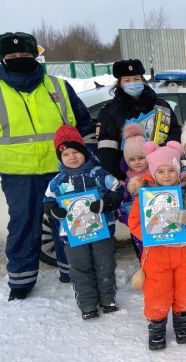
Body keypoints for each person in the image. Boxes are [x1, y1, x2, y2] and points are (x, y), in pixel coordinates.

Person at [0, 31, 93, 301]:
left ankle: (72, 272)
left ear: (35, 56)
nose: (19, 58)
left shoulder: (58, 86)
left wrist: (88, 159)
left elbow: (83, 126)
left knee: (68, 220)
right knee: (24, 224)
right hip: (19, 173)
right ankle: (21, 281)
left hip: (62, 170)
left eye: (25, 55)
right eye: (12, 56)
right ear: (3, 59)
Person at [128, 140, 186, 350]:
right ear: (154, 172)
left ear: (178, 170)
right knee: (157, 289)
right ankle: (156, 325)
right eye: (161, 171)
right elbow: (134, 223)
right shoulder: (145, 195)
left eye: (171, 170)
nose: (166, 175)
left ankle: (182, 321)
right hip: (157, 254)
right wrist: (152, 232)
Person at [43, 125, 122, 319]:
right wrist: (55, 210)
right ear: (60, 158)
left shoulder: (99, 173)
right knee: (80, 267)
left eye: (75, 152)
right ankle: (87, 304)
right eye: (66, 154)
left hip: (101, 229)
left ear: (84, 152)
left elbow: (117, 189)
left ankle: (107, 298)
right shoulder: (58, 181)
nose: (72, 157)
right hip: (73, 234)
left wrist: (107, 202)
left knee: (104, 263)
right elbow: (48, 201)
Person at [96, 59, 181, 181]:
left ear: (142, 80)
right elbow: (107, 152)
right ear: (119, 83)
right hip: (129, 178)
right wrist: (120, 178)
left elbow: (174, 135)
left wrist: (168, 167)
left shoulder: (161, 107)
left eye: (136, 79)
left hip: (163, 176)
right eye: (127, 80)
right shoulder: (109, 112)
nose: (133, 83)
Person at [117, 123, 148, 258]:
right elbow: (122, 208)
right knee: (144, 257)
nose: (137, 162)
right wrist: (130, 220)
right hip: (138, 229)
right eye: (132, 159)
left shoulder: (157, 178)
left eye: (141, 158)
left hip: (160, 228)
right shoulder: (126, 185)